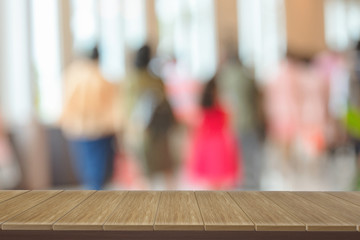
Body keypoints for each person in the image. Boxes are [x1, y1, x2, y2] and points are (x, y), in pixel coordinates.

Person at [60, 46, 119, 190]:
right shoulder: (102, 78)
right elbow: (113, 107)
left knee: (85, 166)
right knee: (98, 167)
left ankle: (91, 193)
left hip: (77, 129)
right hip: (100, 129)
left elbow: (67, 103)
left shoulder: (73, 75)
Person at [121, 45, 177, 189]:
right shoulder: (156, 80)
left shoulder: (130, 81)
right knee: (166, 169)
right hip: (159, 131)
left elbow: (126, 110)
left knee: (143, 173)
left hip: (140, 132)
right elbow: (167, 104)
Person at [217, 50, 263, 189]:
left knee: (234, 161)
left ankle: (238, 189)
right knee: (250, 160)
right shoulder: (246, 77)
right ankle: (252, 188)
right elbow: (257, 99)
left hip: (230, 124)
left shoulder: (222, 78)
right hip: (248, 122)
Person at [186, 78, 241, 189]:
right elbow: (230, 126)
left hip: (207, 147)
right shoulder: (222, 108)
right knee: (219, 184)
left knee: (212, 185)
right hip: (219, 148)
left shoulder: (202, 110)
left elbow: (195, 130)